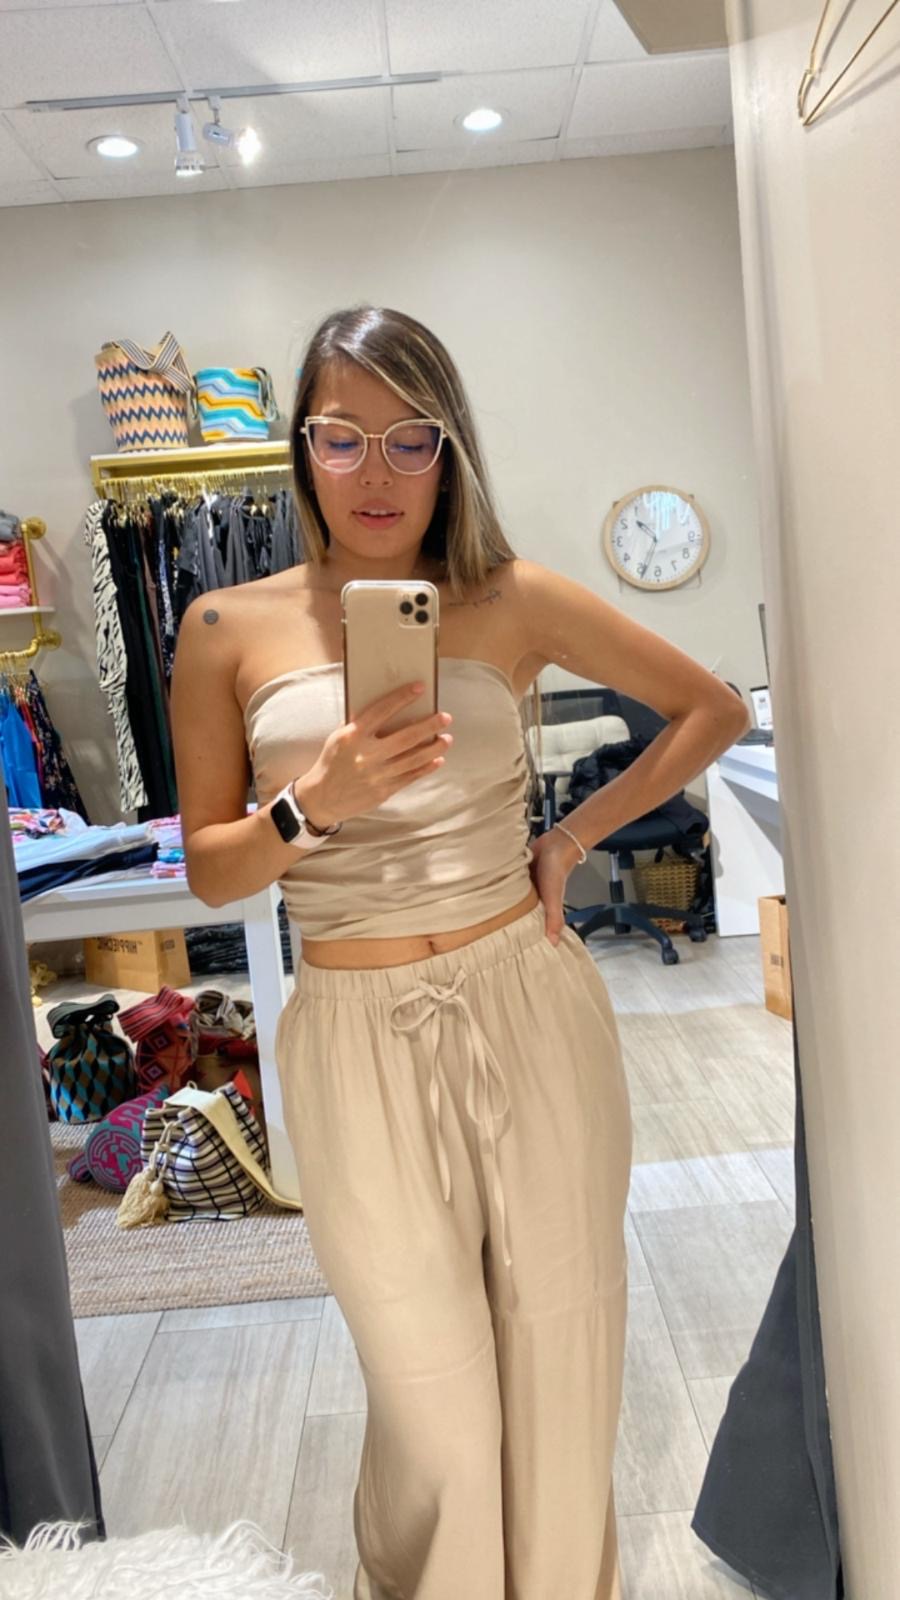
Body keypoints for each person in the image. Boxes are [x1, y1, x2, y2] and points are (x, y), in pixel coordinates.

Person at [171, 305, 750, 1600]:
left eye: (411, 439)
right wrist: (310, 804)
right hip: (354, 1034)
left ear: (451, 450)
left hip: (526, 1004)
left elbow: (708, 708)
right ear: (301, 447)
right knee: (429, 1387)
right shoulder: (223, 629)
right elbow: (211, 867)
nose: (376, 473)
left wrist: (568, 840)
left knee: (561, 1354)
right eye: (342, 438)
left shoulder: (512, 597)